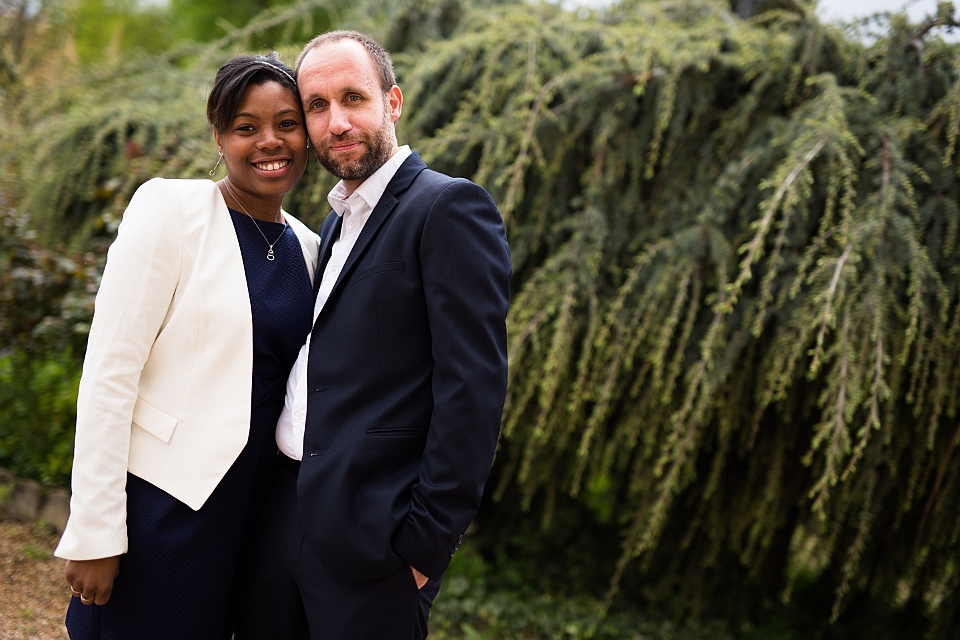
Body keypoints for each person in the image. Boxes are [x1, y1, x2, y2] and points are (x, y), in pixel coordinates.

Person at [232, 30, 512, 640]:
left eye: (352, 98)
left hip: (374, 545)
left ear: (393, 102)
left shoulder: (448, 209)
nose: (336, 122)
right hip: (282, 522)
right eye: (317, 106)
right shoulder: (336, 224)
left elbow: (472, 394)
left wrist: (424, 548)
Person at [54, 52, 319, 640]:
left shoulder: (309, 249)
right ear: (219, 136)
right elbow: (109, 373)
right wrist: (96, 531)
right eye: (246, 126)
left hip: (258, 522)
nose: (269, 141)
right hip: (165, 510)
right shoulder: (171, 210)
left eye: (287, 124)